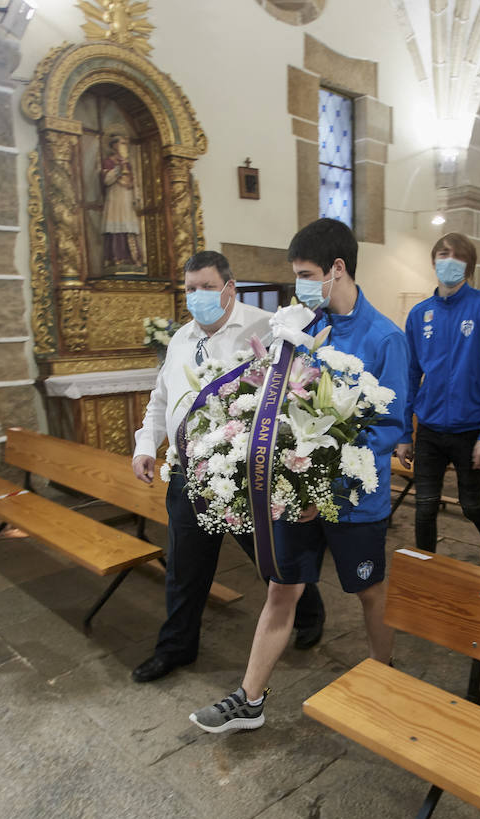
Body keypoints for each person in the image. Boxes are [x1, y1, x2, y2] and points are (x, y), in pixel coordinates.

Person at [189, 218, 410, 733]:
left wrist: (327, 485)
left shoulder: (386, 338)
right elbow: (280, 401)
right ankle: (249, 699)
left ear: (338, 269)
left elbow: (390, 425)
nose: (301, 286)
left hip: (354, 498)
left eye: (307, 274)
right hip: (297, 487)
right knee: (281, 588)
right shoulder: (301, 327)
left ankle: (387, 676)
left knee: (369, 590)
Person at [130, 250, 326, 684]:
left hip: (240, 477)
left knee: (268, 555)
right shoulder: (180, 338)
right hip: (187, 474)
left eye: (206, 286)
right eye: (190, 289)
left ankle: (308, 609)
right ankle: (175, 648)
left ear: (229, 288)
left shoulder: (264, 328)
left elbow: (290, 395)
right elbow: (160, 401)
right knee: (184, 569)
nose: (197, 296)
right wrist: (146, 444)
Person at [395, 232, 480, 572]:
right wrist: (405, 433)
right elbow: (410, 375)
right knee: (425, 505)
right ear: (433, 261)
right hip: (430, 428)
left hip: (471, 429)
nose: (447, 260)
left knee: (472, 505)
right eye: (442, 254)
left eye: (455, 255)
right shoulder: (419, 314)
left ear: (468, 265)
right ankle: (426, 569)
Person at [101, 134, 143, 267]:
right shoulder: (108, 161)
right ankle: (115, 259)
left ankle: (132, 258)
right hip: (115, 197)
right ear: (114, 146)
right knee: (116, 225)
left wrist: (136, 195)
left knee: (128, 226)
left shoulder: (127, 163)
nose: (124, 146)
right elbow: (107, 180)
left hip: (126, 197)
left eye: (125, 143)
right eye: (122, 143)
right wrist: (118, 168)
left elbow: (132, 181)